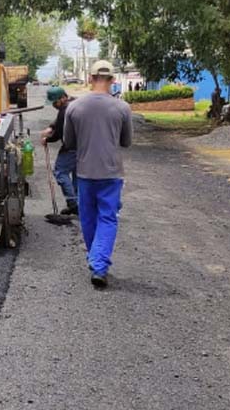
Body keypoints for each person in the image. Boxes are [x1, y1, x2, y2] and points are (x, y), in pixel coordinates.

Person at [63, 60, 133, 289]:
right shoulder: (122, 108)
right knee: (108, 217)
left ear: (90, 78)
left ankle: (96, 260)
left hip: (84, 172)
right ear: (113, 80)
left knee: (88, 218)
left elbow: (69, 142)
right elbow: (126, 142)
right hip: (111, 173)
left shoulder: (74, 107)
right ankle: (99, 264)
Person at [40, 87, 77, 215]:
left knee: (60, 172)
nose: (54, 105)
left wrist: (47, 139)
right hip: (85, 147)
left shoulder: (64, 110)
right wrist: (51, 126)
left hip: (72, 147)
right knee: (77, 175)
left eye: (55, 102)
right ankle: (79, 204)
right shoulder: (74, 103)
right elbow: (59, 121)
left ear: (63, 98)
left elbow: (58, 134)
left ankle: (73, 204)